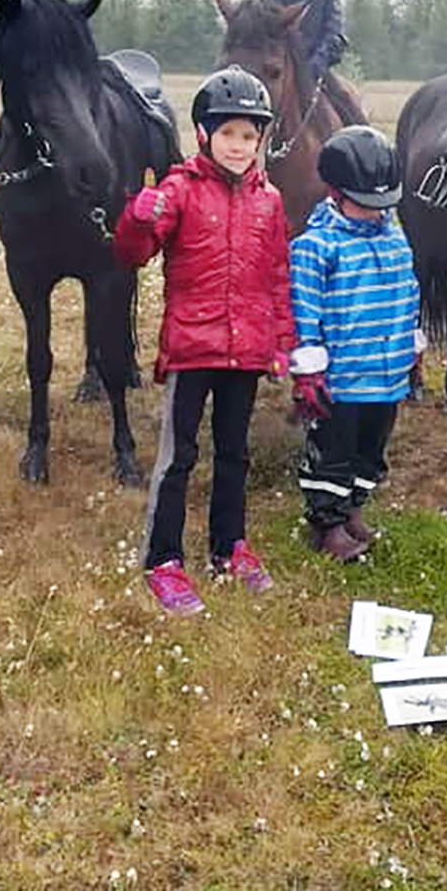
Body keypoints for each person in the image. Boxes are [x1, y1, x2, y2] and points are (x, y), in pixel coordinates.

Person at [113, 65, 295, 615]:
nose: (239, 147)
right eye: (228, 134)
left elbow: (278, 275)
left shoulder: (271, 201)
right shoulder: (180, 189)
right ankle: (164, 560)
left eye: (249, 136)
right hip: (193, 350)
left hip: (247, 352)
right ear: (203, 134)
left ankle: (228, 547)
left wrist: (282, 341)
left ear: (261, 140)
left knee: (234, 453)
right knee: (179, 457)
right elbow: (132, 255)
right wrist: (137, 219)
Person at [288, 126, 422, 562]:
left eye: (382, 205)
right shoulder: (315, 247)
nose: (374, 213)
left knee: (371, 448)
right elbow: (304, 309)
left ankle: (353, 509)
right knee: (334, 452)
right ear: (335, 192)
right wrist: (308, 368)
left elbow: (408, 291)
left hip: (387, 374)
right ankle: (326, 524)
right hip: (342, 380)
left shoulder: (394, 236)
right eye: (365, 205)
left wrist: (412, 346)